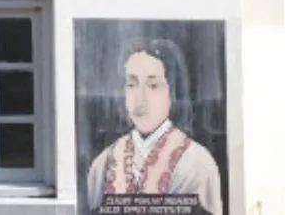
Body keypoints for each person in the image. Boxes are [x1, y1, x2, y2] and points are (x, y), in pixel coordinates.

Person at [86, 38, 222, 215]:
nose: (140, 98)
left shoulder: (197, 164)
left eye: (153, 86)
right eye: (132, 85)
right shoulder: (102, 164)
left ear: (173, 92)